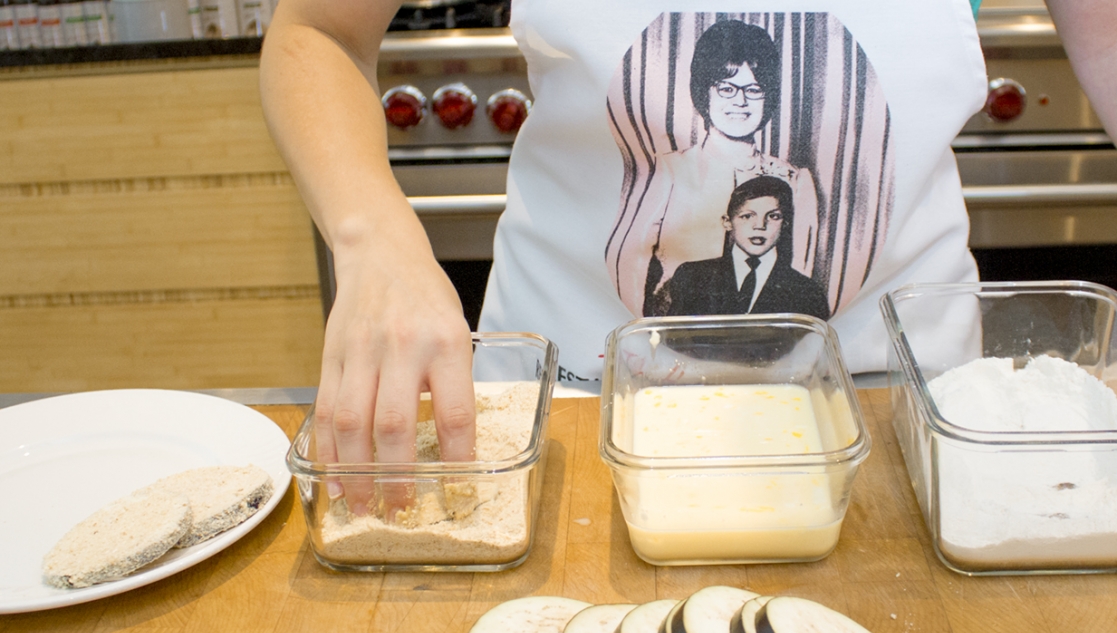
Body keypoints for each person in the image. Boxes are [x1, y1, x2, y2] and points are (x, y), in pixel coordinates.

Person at [259, 0, 1117, 490]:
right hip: (575, 411)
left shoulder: (795, 184)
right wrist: (375, 243)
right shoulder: (672, 174)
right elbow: (318, 31)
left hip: (895, 424)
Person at [610, 19, 819, 318]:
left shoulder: (797, 182)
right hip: (672, 344)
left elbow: (798, 286)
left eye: (755, 89)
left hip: (764, 348)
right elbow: (629, 265)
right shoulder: (666, 171)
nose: (741, 101)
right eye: (726, 88)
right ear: (704, 91)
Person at [664, 175, 830, 320]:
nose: (759, 226)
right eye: (747, 216)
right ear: (727, 222)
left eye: (773, 216)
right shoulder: (692, 276)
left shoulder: (807, 292)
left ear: (785, 224)